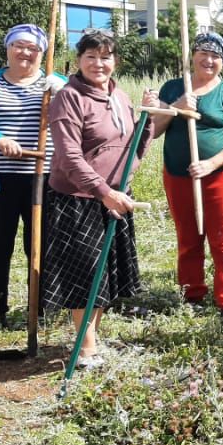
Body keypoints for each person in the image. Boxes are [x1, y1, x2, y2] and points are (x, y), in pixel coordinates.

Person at [41, 29, 156, 368]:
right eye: (90, 56)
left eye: (105, 57)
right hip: (79, 199)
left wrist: (148, 119)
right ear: (78, 60)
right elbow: (69, 156)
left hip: (115, 197)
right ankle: (86, 349)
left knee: (105, 273)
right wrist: (103, 192)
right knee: (85, 274)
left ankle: (91, 338)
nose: (98, 63)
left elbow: (133, 148)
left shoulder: (120, 96)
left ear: (115, 61)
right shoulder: (69, 98)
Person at [0, 23, 66, 331]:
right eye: (18, 46)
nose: (25, 52)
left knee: (42, 246)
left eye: (33, 48)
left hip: (45, 179)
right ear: (7, 49)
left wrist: (64, 94)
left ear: (42, 53)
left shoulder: (56, 82)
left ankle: (42, 312)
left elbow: (80, 118)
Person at [150, 32, 223, 324]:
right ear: (192, 56)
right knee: (189, 237)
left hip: (219, 175)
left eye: (216, 55)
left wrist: (211, 163)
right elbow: (153, 130)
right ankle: (192, 294)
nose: (209, 60)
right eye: (203, 53)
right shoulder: (172, 88)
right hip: (178, 175)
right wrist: (176, 106)